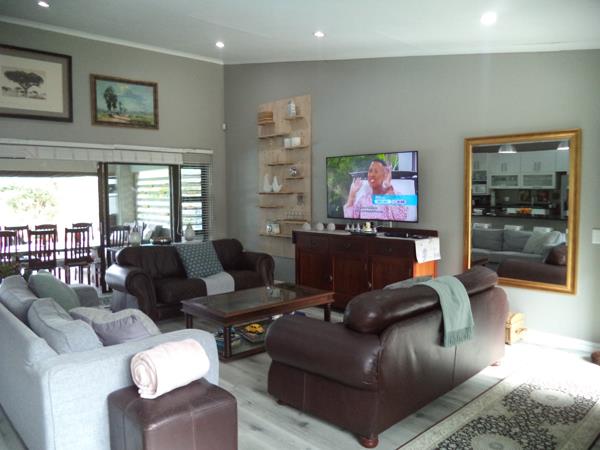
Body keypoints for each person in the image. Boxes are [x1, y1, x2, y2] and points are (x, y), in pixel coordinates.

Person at [343, 159, 408, 221]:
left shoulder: (396, 196)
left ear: (385, 175)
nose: (372, 175)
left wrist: (388, 186)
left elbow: (400, 217)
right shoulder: (363, 200)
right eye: (370, 171)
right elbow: (350, 217)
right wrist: (352, 193)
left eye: (376, 171)